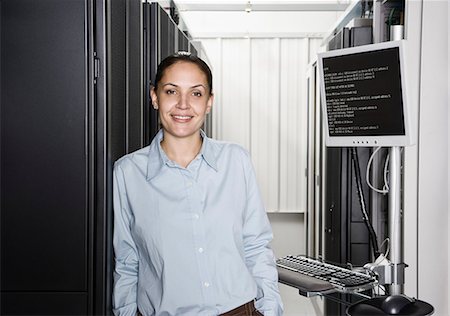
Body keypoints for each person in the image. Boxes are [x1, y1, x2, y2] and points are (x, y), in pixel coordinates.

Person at [112, 52, 283, 316]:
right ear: (155, 97)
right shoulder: (128, 173)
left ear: (209, 102)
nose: (183, 104)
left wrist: (270, 310)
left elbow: (256, 245)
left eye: (196, 93)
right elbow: (127, 260)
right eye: (171, 91)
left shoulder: (235, 161)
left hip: (239, 310)